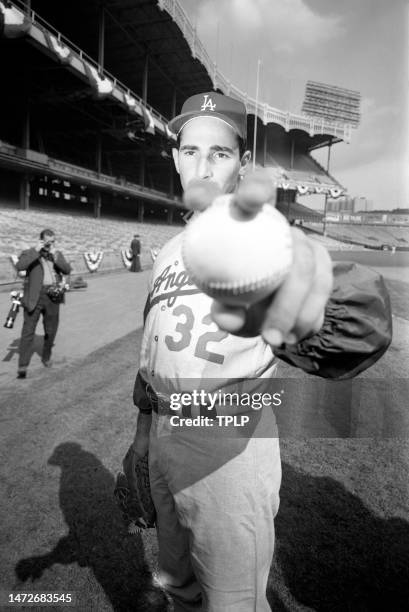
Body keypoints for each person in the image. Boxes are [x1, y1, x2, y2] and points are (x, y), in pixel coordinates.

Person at [128, 92, 392, 611]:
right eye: (190, 150)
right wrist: (141, 442)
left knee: (234, 603)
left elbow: (365, 321)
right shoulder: (167, 251)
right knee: (177, 587)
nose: (201, 166)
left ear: (243, 164)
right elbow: (150, 357)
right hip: (162, 434)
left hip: (227, 437)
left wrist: (303, 307)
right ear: (176, 156)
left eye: (220, 154)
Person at [15, 229, 71, 379]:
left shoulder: (57, 254)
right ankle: (23, 365)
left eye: (52, 242)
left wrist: (55, 255)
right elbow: (20, 266)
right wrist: (36, 250)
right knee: (28, 331)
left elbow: (67, 270)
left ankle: (46, 357)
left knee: (51, 330)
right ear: (41, 240)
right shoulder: (30, 252)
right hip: (35, 296)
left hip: (53, 296)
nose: (49, 244)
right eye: (47, 241)